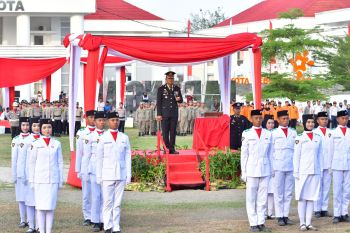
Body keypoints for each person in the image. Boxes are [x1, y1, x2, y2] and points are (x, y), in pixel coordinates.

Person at [96, 112, 131, 233]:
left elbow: (127, 157)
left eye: (117, 120)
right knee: (107, 202)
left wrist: (128, 175)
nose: (115, 122)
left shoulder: (124, 137)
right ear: (107, 122)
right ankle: (107, 225)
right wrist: (99, 176)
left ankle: (116, 226)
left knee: (117, 203)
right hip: (107, 174)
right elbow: (99, 158)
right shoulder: (103, 138)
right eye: (112, 120)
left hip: (120, 174)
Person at [28, 119, 64, 233]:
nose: (47, 130)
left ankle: (48, 231)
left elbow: (60, 162)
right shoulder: (35, 144)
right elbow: (32, 163)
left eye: (49, 127)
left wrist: (60, 179)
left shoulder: (57, 143)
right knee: (40, 207)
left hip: (52, 179)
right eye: (44, 127)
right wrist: (32, 180)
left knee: (50, 207)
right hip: (39, 179)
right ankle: (41, 231)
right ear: (40, 129)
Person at [241, 109, 272, 232]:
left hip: (265, 169)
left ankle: (261, 222)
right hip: (252, 169)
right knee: (251, 198)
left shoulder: (267, 134)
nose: (258, 120)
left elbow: (270, 154)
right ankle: (253, 223)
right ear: (251, 119)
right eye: (256, 118)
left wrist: (271, 169)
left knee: (262, 198)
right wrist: (244, 172)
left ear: (262, 118)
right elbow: (244, 155)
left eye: (260, 118)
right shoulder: (246, 133)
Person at [294, 114, 322, 231]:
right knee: (302, 198)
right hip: (302, 171)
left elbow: (320, 155)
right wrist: (296, 172)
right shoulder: (299, 137)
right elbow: (296, 156)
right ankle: (302, 223)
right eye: (308, 122)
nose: (310, 124)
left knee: (311, 197)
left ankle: (309, 223)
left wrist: (320, 170)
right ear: (304, 123)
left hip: (315, 171)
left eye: (312, 122)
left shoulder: (318, 137)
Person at [271, 110, 297, 226]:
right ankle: (279, 216)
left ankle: (286, 215)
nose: (286, 120)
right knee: (278, 192)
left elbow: (296, 150)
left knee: (288, 193)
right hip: (278, 166)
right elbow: (270, 152)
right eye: (283, 119)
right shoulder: (274, 133)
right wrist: (272, 168)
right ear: (278, 120)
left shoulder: (293, 132)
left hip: (290, 165)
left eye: (287, 118)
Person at [84, 111, 106, 232]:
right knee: (96, 196)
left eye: (103, 120)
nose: (101, 122)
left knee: (105, 196)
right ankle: (96, 221)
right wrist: (86, 171)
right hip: (93, 169)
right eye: (99, 120)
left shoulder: (107, 135)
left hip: (105, 169)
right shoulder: (90, 136)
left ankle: (104, 219)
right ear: (95, 122)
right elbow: (86, 156)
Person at [76, 110, 96, 226]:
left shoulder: (102, 133)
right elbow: (79, 152)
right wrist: (78, 170)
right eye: (91, 117)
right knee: (86, 193)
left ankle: (95, 216)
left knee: (97, 193)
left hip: (96, 167)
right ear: (86, 118)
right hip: (85, 166)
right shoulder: (81, 133)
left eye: (94, 117)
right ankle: (87, 216)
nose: (93, 119)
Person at [330, 110, 350, 224]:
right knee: (337, 190)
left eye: (346, 118)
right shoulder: (333, 133)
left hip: (348, 164)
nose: (345, 120)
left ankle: (344, 212)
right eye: (343, 118)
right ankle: (337, 214)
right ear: (337, 119)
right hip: (336, 164)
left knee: (347, 190)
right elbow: (330, 151)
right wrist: (330, 166)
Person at [156, 71, 183, 154]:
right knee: (165, 132)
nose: (171, 80)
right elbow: (159, 102)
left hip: (174, 114)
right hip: (164, 114)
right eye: (169, 78)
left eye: (172, 78)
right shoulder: (161, 89)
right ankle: (166, 148)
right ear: (166, 79)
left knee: (173, 131)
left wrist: (179, 99)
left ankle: (172, 149)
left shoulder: (176, 88)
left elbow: (181, 100)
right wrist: (159, 114)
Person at [11, 117, 31, 229]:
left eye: (27, 125)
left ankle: (30, 220)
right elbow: (14, 159)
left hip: (30, 174)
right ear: (20, 126)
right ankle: (23, 220)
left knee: (29, 198)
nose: (25, 127)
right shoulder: (16, 140)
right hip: (19, 173)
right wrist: (14, 174)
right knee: (21, 197)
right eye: (23, 125)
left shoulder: (33, 139)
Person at [313, 111, 332, 218]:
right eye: (322, 119)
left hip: (328, 163)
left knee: (326, 186)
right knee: (317, 186)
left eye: (325, 119)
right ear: (318, 121)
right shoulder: (314, 132)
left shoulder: (331, 132)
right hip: (318, 164)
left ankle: (324, 208)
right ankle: (317, 209)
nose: (324, 121)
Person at [25, 117, 41, 233]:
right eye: (34, 126)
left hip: (41, 175)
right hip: (29, 174)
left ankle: (39, 225)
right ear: (31, 126)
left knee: (39, 202)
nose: (36, 128)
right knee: (30, 201)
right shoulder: (26, 140)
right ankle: (31, 225)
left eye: (38, 126)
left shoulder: (44, 139)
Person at [263, 115, 276, 220]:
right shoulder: (263, 134)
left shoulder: (276, 134)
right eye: (269, 123)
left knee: (272, 191)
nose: (271, 125)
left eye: (272, 123)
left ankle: (270, 213)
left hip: (275, 165)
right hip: (265, 164)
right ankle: (263, 212)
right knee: (264, 191)